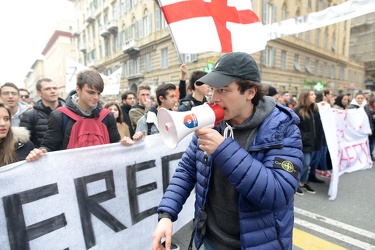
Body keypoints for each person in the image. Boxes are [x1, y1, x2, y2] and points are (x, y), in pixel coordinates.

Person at [152, 52, 303, 250]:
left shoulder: (282, 129)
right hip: (210, 238)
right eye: (213, 89)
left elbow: (277, 193)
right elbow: (187, 171)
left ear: (250, 92)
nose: (214, 98)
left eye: (224, 90)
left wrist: (223, 149)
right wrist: (166, 215)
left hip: (257, 244)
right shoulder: (212, 123)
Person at [25, 69, 144, 162]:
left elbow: (116, 145)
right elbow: (49, 147)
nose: (96, 97)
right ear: (78, 89)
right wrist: (39, 152)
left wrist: (127, 141)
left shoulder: (107, 116)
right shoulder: (59, 115)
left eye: (98, 93)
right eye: (91, 92)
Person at [293, 90, 324, 195]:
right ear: (305, 97)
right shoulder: (298, 110)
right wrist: (304, 137)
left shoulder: (314, 109)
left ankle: (303, 182)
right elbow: (294, 127)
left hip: (314, 142)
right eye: (312, 94)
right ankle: (294, 183)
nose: (314, 96)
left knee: (309, 163)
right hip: (304, 142)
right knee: (305, 163)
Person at [19, 78, 65, 147]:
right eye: (47, 89)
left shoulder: (69, 111)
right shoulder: (29, 115)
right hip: (43, 156)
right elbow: (24, 144)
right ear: (39, 93)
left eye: (55, 88)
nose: (52, 91)